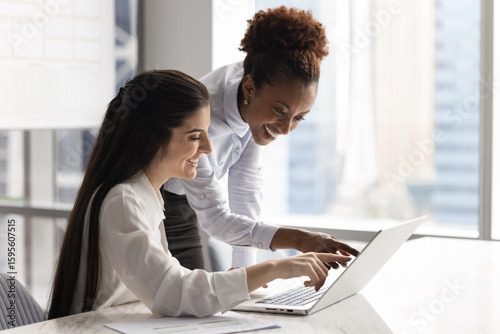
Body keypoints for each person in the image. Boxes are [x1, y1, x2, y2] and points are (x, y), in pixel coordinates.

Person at [48, 70, 352, 319]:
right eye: (195, 136)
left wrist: (250, 273)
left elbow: (172, 282)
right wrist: (278, 266)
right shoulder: (123, 200)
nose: (207, 148)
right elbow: (174, 292)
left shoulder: (145, 196)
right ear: (151, 137)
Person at [163, 6, 360, 270]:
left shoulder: (257, 85)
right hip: (158, 200)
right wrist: (300, 240)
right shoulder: (204, 113)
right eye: (280, 111)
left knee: (197, 298)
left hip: (185, 204)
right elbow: (214, 217)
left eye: (299, 117)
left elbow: (245, 185)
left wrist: (243, 268)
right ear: (249, 88)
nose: (287, 128)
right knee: (178, 301)